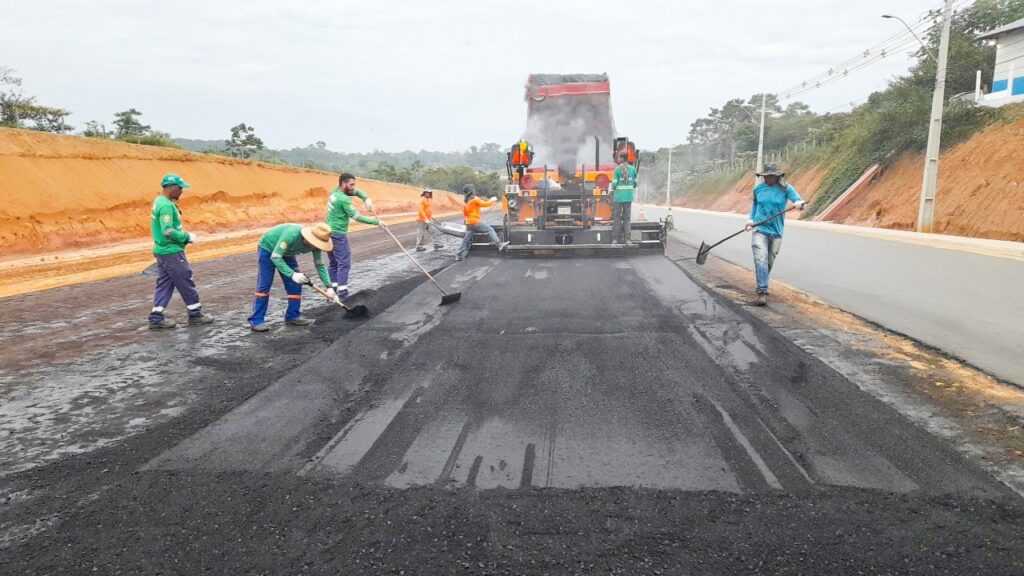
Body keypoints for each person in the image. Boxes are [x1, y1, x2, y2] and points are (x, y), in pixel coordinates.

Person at [148, 173, 213, 329]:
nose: (182, 191)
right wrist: (186, 237)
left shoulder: (160, 201)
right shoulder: (166, 206)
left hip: (162, 250)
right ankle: (195, 315)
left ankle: (156, 318)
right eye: (180, 188)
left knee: (164, 283)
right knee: (185, 280)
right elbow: (168, 231)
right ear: (172, 187)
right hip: (171, 251)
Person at [247, 222, 337, 332]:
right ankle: (256, 320)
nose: (315, 246)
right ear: (309, 237)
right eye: (315, 243)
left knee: (295, 285)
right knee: (264, 285)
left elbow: (320, 264)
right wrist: (292, 274)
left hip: (287, 254)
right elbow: (275, 257)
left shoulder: (316, 245)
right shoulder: (291, 235)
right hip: (268, 248)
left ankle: (292, 316)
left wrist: (329, 287)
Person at [744, 163, 806, 306]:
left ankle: (763, 282)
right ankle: (761, 292)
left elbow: (800, 201)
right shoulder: (758, 189)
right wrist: (750, 219)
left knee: (769, 262)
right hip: (760, 229)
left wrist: (799, 204)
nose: (769, 179)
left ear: (777, 176)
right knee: (761, 258)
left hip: (777, 232)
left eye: (772, 176)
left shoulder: (785, 188)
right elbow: (755, 205)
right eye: (767, 176)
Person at [325, 173, 380, 299]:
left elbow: (355, 192)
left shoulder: (334, 192)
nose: (353, 187)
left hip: (328, 232)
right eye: (351, 184)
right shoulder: (343, 199)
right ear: (344, 184)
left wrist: (366, 198)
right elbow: (356, 217)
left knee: (333, 263)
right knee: (344, 264)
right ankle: (343, 294)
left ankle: (332, 292)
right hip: (338, 235)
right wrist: (376, 222)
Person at [456, 185, 507, 261]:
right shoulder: (475, 199)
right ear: (471, 191)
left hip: (469, 224)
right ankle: (499, 244)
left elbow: (465, 214)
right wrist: (492, 200)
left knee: (466, 239)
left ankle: (459, 255)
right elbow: (485, 204)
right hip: (476, 223)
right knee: (490, 229)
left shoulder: (465, 202)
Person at [611, 151, 637, 244]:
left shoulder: (617, 170)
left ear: (622, 158)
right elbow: (635, 183)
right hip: (628, 197)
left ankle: (615, 239)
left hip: (618, 198)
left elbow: (613, 185)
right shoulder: (633, 169)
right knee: (627, 218)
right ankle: (627, 239)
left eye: (618, 157)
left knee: (617, 218)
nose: (617, 159)